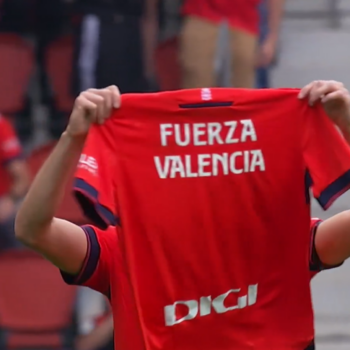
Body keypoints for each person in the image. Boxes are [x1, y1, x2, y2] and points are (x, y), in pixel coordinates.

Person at [15, 80, 350, 349]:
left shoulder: (283, 241)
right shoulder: (122, 251)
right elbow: (33, 229)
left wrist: (345, 122)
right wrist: (73, 137)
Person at [180, 0, 284, 89]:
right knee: (196, 83)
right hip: (200, 14)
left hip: (246, 20)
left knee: (243, 88)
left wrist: (272, 38)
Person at [71, 0, 158, 95]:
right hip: (98, 27)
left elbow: (150, 16)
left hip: (132, 34)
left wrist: (149, 69)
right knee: (92, 94)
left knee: (129, 94)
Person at [0, 115, 30, 251]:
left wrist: (9, 201)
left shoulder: (1, 126)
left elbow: (22, 179)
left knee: (14, 222)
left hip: (3, 201)